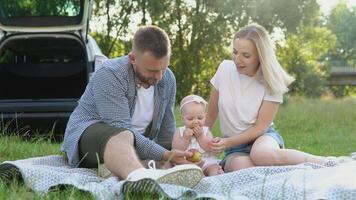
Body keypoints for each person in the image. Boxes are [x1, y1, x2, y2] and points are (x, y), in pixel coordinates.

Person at [61, 25, 204, 188]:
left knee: (156, 157)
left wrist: (174, 157)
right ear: (132, 58)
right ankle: (141, 181)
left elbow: (166, 128)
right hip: (89, 137)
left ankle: (124, 168)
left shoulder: (167, 79)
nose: (158, 77)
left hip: (137, 145)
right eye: (151, 70)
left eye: (163, 69)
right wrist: (165, 154)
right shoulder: (110, 74)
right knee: (124, 135)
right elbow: (121, 128)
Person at [205, 23, 328, 172]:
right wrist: (198, 142)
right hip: (235, 147)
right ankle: (291, 174)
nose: (238, 59)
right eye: (235, 52)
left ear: (260, 57)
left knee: (262, 155)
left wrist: (226, 142)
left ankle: (325, 163)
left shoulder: (271, 81)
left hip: (262, 138)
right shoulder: (225, 69)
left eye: (246, 55)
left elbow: (260, 127)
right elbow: (211, 115)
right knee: (245, 170)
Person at [172, 95, 224, 176]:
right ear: (182, 118)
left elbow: (210, 149)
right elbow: (176, 149)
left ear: (205, 116)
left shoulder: (206, 131)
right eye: (190, 119)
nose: (196, 121)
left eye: (200, 118)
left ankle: (215, 176)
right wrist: (185, 139)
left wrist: (201, 137)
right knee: (179, 171)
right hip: (186, 163)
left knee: (213, 168)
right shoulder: (179, 131)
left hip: (206, 161)